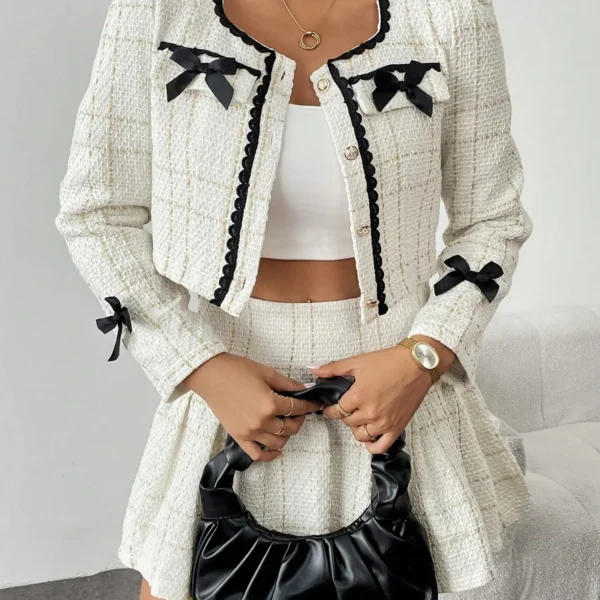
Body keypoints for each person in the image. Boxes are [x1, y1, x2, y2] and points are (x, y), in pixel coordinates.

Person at [55, 0, 535, 598]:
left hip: (395, 403)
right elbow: (98, 215)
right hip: (221, 398)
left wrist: (422, 357)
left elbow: (492, 219)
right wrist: (201, 366)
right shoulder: (157, 11)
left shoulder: (449, 15)